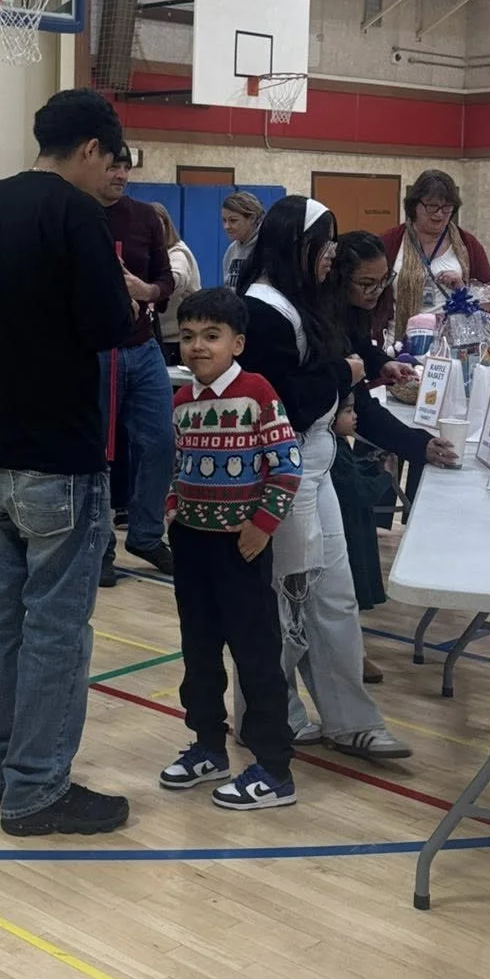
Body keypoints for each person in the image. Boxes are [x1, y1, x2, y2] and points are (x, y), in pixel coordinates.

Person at [0, 87, 134, 837]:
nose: (109, 175)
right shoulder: (76, 215)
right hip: (56, 454)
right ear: (89, 149)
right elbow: (104, 328)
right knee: (57, 627)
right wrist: (132, 303)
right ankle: (36, 787)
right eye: (110, 160)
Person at [238, 197, 410, 760]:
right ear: (298, 246)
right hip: (279, 470)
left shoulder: (301, 299)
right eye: (326, 243)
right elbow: (284, 397)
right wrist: (343, 378)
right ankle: (266, 714)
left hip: (314, 460)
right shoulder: (262, 308)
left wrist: (366, 364)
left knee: (332, 596)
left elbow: (338, 351)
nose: (332, 255)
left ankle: (349, 719)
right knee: (283, 601)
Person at [161, 287, 302, 808]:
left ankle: (273, 767)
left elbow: (287, 466)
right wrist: (173, 507)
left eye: (212, 337)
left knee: (255, 654)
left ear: (237, 342)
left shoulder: (257, 392)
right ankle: (206, 745)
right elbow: (179, 467)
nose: (198, 347)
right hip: (191, 547)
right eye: (190, 336)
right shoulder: (182, 402)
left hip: (240, 549)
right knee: (198, 651)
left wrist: (262, 525)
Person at [330, 232, 461, 618]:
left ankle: (351, 643)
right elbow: (364, 408)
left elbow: (358, 347)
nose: (375, 291)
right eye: (366, 283)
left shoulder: (350, 309)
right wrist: (415, 444)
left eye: (382, 281)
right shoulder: (322, 318)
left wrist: (378, 364)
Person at [100, 145, 176, 581]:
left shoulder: (146, 216)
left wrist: (145, 291)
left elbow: (165, 279)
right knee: (100, 452)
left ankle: (145, 533)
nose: (121, 174)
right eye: (113, 166)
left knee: (161, 440)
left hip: (143, 346)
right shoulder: (80, 214)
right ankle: (100, 546)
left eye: (126, 167)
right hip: (98, 350)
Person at [377, 169, 490, 346]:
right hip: (399, 343)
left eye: (446, 207)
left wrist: (464, 289)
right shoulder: (390, 242)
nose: (439, 214)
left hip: (453, 346)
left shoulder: (468, 243)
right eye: (432, 206)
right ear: (414, 206)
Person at [152, 203, 200, 364]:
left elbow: (176, 277)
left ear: (167, 226)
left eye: (158, 226)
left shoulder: (177, 252)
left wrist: (152, 289)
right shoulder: (152, 253)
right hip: (157, 335)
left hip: (175, 339)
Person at [221, 192, 264, 289]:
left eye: (233, 220)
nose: (226, 226)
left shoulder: (266, 247)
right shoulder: (231, 250)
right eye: (224, 220)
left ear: (252, 218)